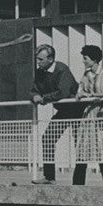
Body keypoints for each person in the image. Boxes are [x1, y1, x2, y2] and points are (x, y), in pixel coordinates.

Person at [30, 45, 81, 184]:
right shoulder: (40, 72)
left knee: (80, 144)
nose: (38, 62)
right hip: (64, 111)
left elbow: (62, 92)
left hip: (78, 110)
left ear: (51, 59)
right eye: (37, 59)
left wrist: (44, 98)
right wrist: (34, 96)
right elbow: (34, 90)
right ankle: (49, 177)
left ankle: (78, 182)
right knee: (48, 138)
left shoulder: (62, 69)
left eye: (40, 59)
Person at [73, 45, 103, 185]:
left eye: (85, 58)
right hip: (89, 115)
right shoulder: (86, 75)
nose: (83, 61)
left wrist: (92, 95)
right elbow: (80, 91)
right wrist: (81, 94)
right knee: (83, 148)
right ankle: (78, 185)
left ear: (94, 59)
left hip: (102, 114)